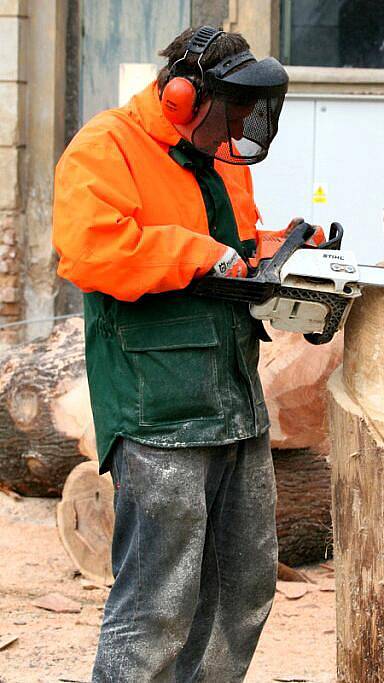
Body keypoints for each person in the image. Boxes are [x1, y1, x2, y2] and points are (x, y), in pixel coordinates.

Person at [53, 25, 322, 682]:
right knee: (157, 606)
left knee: (242, 591)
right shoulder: (106, 147)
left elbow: (236, 249)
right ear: (181, 97)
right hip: (158, 408)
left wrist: (289, 255)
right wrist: (202, 254)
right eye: (227, 113)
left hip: (234, 401)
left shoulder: (220, 162)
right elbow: (92, 249)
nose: (236, 130)